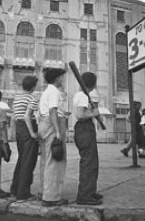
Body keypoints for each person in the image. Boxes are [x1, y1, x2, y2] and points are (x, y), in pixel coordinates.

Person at [38, 68, 68, 207]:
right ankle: (51, 197)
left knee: (46, 160)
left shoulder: (47, 91)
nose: (63, 80)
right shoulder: (54, 91)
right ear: (57, 79)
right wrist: (57, 131)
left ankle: (43, 191)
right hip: (52, 125)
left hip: (44, 124)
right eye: (61, 77)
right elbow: (52, 110)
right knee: (55, 160)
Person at [73, 72, 103, 205]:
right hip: (84, 129)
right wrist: (93, 113)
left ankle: (90, 191)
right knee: (88, 163)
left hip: (84, 129)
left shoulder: (81, 95)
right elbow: (79, 114)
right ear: (94, 84)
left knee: (92, 162)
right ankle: (84, 196)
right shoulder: (83, 95)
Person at [10, 76, 39, 202]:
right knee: (28, 161)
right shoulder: (32, 97)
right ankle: (23, 193)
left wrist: (13, 132)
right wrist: (33, 133)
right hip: (28, 128)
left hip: (19, 129)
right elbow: (28, 117)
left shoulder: (16, 98)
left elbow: (13, 117)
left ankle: (15, 189)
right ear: (33, 86)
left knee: (22, 159)